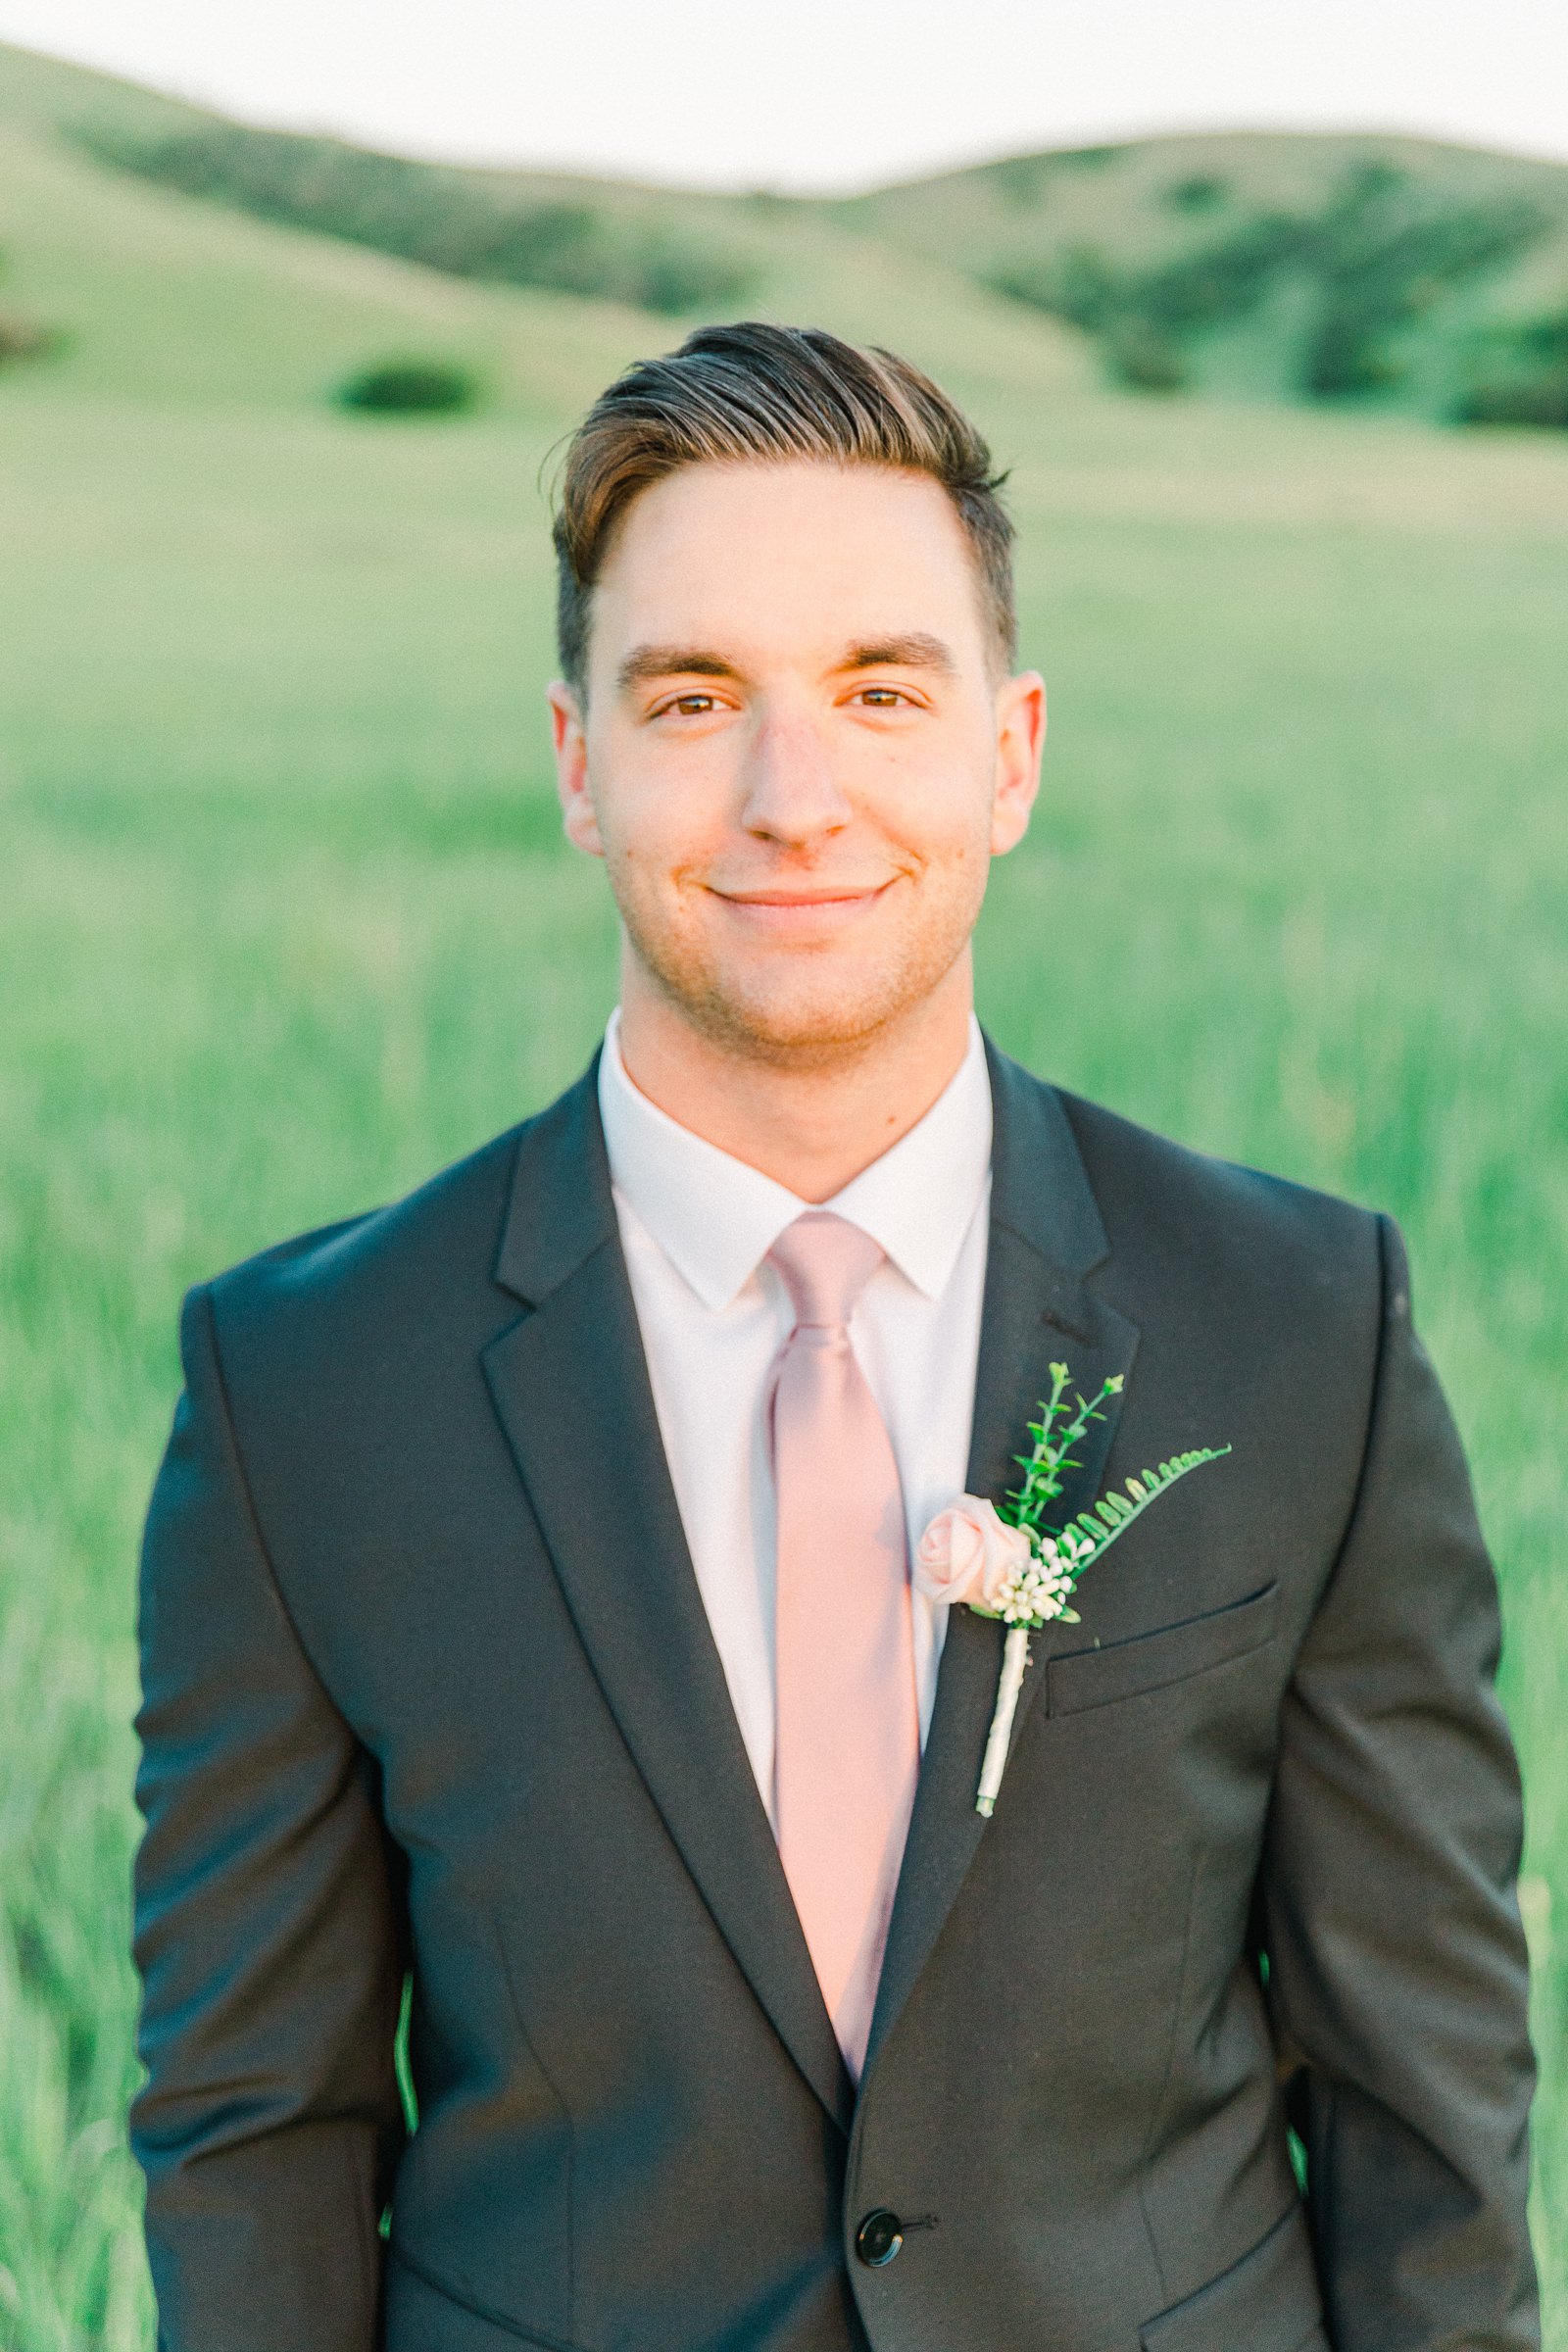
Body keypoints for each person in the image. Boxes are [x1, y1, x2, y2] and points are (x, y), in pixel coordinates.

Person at [130, 321, 1539, 2352]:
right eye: (692, 696)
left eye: (880, 690)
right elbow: (258, 2131)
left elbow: (1426, 2110)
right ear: (575, 762)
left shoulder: (1305, 1322)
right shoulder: (304, 1390)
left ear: (1009, 751)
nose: (793, 797)